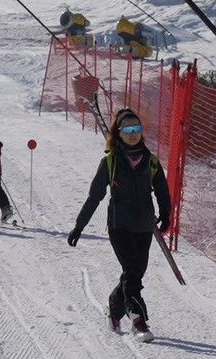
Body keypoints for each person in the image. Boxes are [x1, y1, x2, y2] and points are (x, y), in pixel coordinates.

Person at [67, 109, 171, 342]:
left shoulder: (151, 161)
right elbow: (95, 196)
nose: (133, 134)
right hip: (119, 225)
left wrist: (166, 213)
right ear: (119, 133)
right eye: (127, 130)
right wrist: (79, 226)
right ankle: (139, 322)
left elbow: (163, 191)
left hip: (144, 225)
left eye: (137, 129)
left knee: (134, 273)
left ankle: (114, 309)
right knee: (133, 273)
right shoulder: (110, 162)